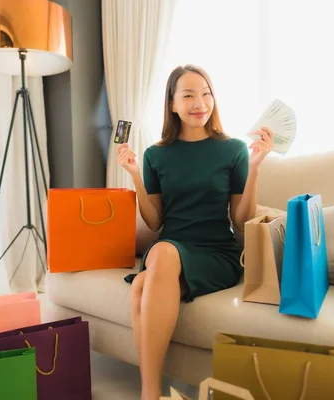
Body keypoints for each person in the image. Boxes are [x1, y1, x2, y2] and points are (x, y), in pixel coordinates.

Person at [116, 65, 273, 400]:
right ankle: (152, 393)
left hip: (216, 253)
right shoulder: (155, 155)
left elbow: (242, 219)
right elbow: (155, 222)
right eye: (188, 95)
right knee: (144, 280)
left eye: (205, 93)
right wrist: (134, 176)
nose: (200, 102)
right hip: (170, 251)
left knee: (157, 261)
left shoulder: (232, 150)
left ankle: (148, 395)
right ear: (172, 104)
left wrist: (255, 168)